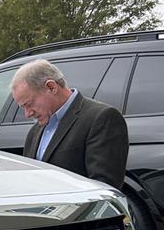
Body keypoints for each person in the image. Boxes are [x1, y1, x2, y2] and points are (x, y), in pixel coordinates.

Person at [11, 59, 128, 188]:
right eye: (23, 107)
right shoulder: (34, 132)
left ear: (51, 87)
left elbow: (104, 189)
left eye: (29, 104)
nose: (28, 114)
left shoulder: (102, 118)